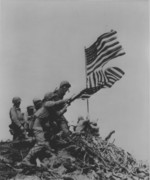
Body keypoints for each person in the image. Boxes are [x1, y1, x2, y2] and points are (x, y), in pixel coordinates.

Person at [20, 93, 69, 166]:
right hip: (37, 126)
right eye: (52, 98)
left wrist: (65, 107)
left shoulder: (50, 108)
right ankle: (26, 160)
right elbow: (54, 103)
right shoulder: (47, 104)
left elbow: (57, 115)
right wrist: (64, 100)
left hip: (40, 126)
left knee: (45, 143)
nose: (54, 99)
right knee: (41, 144)